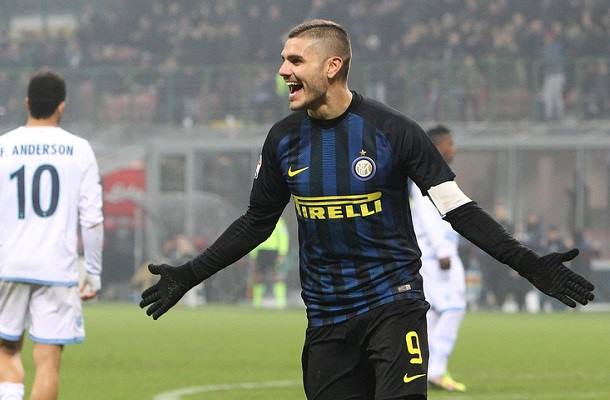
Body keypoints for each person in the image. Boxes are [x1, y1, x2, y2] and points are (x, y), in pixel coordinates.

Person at [140, 20, 594, 400]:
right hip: (326, 318)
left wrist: (528, 263)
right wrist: (189, 274)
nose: (283, 71)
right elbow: (256, 223)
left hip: (393, 305)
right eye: (283, 60)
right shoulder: (283, 139)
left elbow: (459, 210)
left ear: (332, 66)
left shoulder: (393, 131)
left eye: (295, 61)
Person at [0, 70, 103, 400]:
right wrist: (93, 272)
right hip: (56, 269)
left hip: (8, 265)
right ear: (62, 106)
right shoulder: (79, 149)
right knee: (47, 364)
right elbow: (92, 219)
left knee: (6, 352)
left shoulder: (3, 147)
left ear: (26, 103)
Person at [410, 125, 465, 391]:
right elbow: (428, 216)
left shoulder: (435, 175)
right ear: (438, 146)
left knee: (431, 314)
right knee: (453, 308)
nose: (453, 149)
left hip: (434, 255)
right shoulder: (428, 176)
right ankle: (437, 370)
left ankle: (424, 369)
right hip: (437, 257)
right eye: (449, 144)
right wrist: (443, 251)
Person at [249, 216, 289, 309]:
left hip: (274, 251)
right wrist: (253, 255)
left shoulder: (279, 221)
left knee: (276, 276)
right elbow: (253, 236)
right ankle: (257, 303)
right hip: (260, 251)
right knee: (258, 276)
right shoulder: (258, 219)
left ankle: (281, 303)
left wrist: (282, 252)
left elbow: (283, 236)